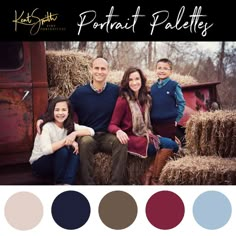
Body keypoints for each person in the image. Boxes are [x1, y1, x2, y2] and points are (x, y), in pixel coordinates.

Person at [108, 67, 179, 185]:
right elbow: (112, 124)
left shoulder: (146, 99)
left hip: (146, 135)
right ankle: (155, 179)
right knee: (170, 145)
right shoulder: (123, 100)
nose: (134, 82)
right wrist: (118, 131)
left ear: (142, 80)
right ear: (127, 82)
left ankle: (149, 173)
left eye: (137, 79)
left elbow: (151, 122)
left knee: (174, 145)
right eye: (131, 80)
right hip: (132, 139)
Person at [68, 57, 128, 185]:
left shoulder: (115, 91)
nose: (99, 72)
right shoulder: (80, 93)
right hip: (88, 135)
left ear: (108, 71)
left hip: (107, 136)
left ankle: (115, 185)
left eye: (103, 69)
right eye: (96, 68)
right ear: (91, 70)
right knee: (85, 142)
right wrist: (42, 119)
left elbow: (132, 101)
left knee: (121, 142)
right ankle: (89, 184)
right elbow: (62, 108)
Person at [30, 96, 95, 185]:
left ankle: (67, 183)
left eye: (64, 110)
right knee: (63, 151)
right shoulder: (47, 127)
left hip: (58, 163)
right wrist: (67, 141)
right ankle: (59, 182)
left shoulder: (69, 125)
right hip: (39, 164)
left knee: (75, 151)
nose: (60, 113)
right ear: (52, 111)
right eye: (57, 110)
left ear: (68, 112)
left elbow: (91, 131)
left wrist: (74, 134)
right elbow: (46, 150)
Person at [150, 58, 186, 141]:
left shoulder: (174, 85)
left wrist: (177, 119)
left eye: (165, 68)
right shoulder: (153, 87)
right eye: (159, 68)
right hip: (154, 124)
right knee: (157, 146)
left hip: (168, 124)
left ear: (171, 72)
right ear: (155, 70)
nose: (162, 71)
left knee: (168, 147)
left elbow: (181, 103)